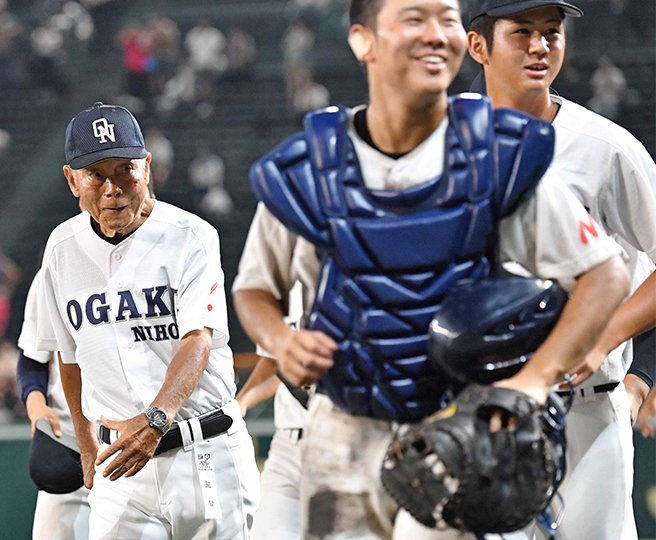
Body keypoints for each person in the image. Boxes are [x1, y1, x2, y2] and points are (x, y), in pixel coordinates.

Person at [243, 0, 631, 538]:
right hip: (343, 429)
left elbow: (606, 274)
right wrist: (280, 342)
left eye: (446, 19)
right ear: (363, 41)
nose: (435, 35)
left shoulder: (496, 156)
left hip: (458, 429)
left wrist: (532, 382)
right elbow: (254, 290)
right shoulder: (313, 165)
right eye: (413, 19)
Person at [466, 1, 656, 538]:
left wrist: (603, 337)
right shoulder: (445, 139)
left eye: (551, 33)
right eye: (521, 32)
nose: (540, 46)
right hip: (476, 410)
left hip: (584, 414)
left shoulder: (607, 148)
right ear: (478, 46)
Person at [33, 102, 260, 538]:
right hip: (120, 470)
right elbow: (69, 355)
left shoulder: (191, 236)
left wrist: (157, 419)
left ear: (147, 167)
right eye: (95, 174)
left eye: (125, 170)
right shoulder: (61, 249)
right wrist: (84, 444)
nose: (113, 187)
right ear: (71, 180)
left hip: (204, 452)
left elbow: (198, 339)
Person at [17, 271, 90, 540]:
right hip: (70, 441)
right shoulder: (56, 266)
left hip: (135, 446)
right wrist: (36, 405)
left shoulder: (158, 260)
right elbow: (32, 358)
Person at [234, 284, 309, 540]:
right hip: (288, 445)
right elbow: (275, 361)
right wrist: (241, 403)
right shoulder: (289, 283)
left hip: (345, 438)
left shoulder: (369, 275)